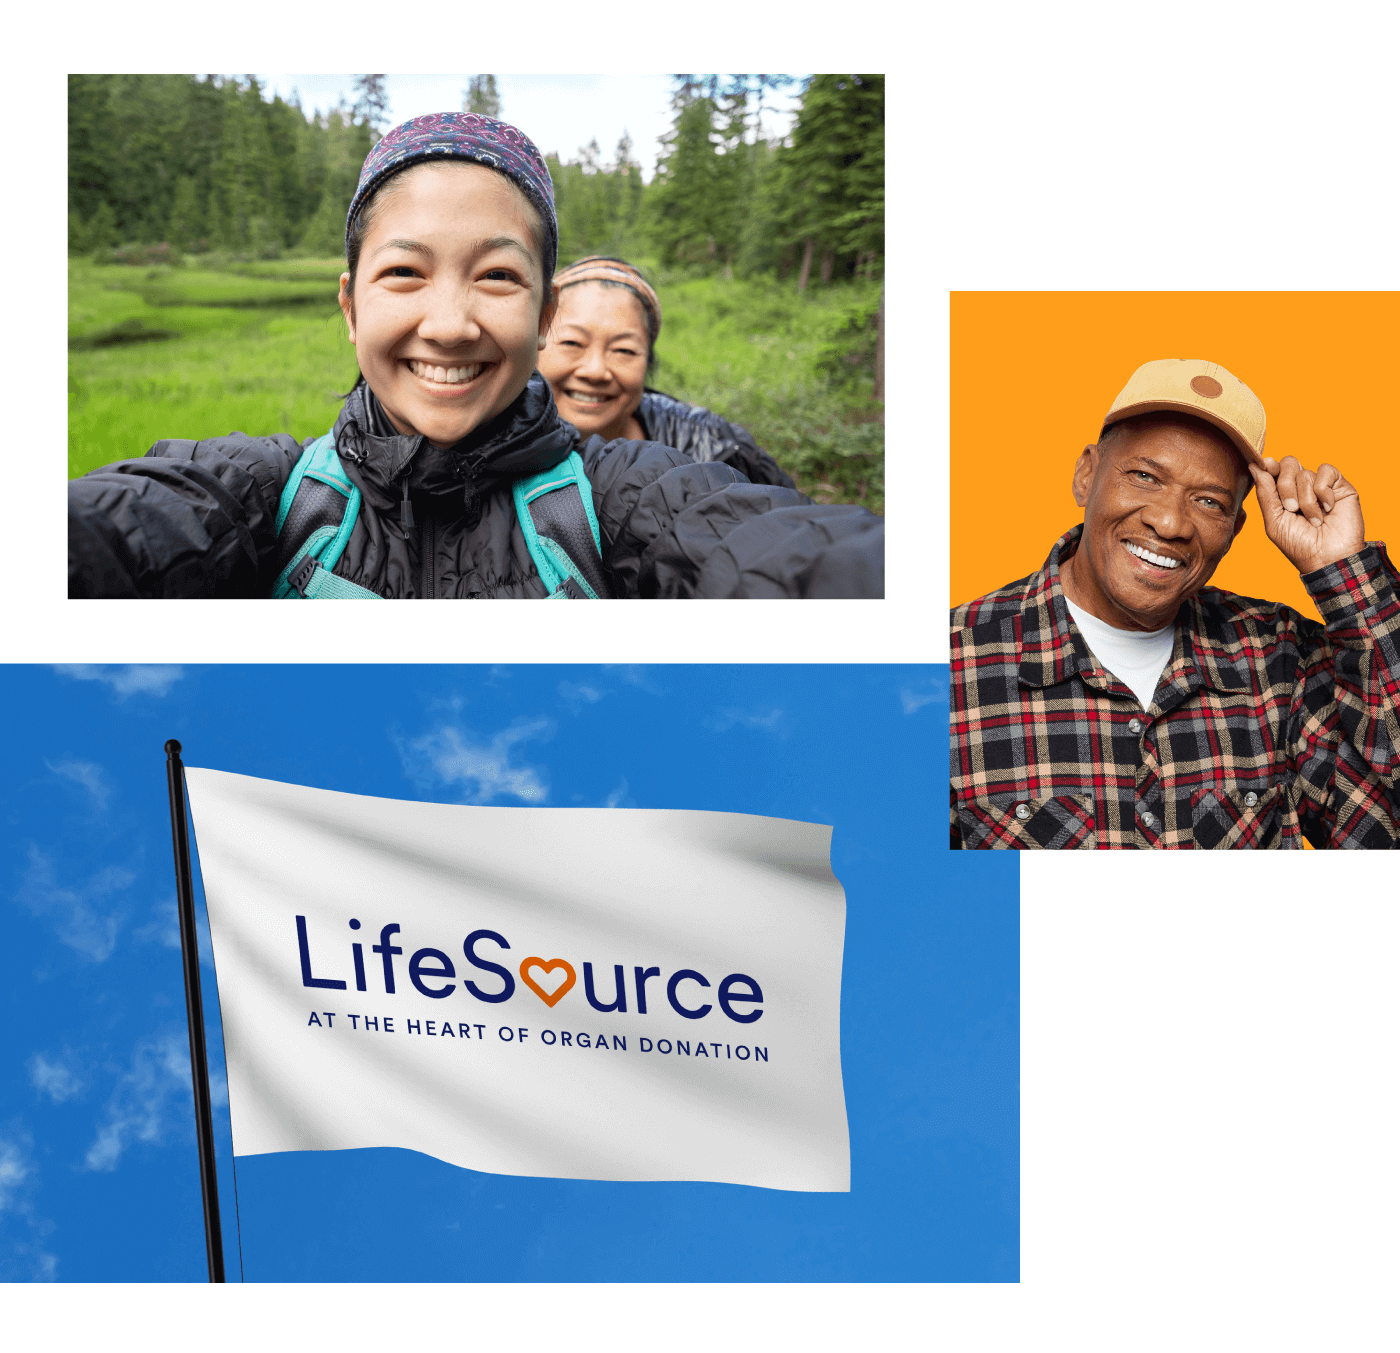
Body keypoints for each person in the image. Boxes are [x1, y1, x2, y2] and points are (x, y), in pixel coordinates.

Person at [66, 113, 884, 599]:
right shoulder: (265, 498)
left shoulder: (621, 497)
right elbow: (117, 534)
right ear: (352, 307)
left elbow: (789, 557)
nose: (451, 323)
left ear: (543, 311)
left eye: (496, 275)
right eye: (405, 273)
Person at [948, 358, 1398, 849]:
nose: (1169, 523)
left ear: (1234, 531)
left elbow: (1382, 831)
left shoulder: (1281, 657)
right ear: (1086, 475)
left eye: (1209, 501)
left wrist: (1343, 569)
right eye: (1144, 476)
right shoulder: (946, 665)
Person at [537, 255, 796, 489]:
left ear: (648, 360)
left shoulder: (712, 445)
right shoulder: (499, 448)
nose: (595, 371)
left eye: (623, 350)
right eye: (572, 343)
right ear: (535, 347)